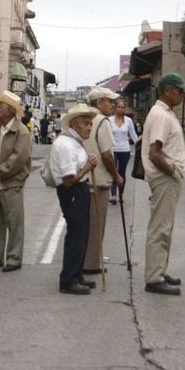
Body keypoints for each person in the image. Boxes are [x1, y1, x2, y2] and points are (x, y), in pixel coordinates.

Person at [142, 73, 185, 296]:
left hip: (165, 177)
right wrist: (172, 170)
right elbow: (155, 152)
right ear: (168, 90)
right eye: (180, 90)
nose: (183, 94)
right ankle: (154, 277)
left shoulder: (163, 113)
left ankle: (160, 270)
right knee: (160, 228)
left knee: (165, 227)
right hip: (164, 178)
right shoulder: (161, 115)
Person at [48, 104, 100, 294]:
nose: (89, 128)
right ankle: (68, 279)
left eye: (90, 124)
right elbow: (68, 180)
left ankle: (76, 275)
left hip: (80, 189)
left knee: (81, 235)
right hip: (73, 191)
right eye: (86, 124)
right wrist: (87, 167)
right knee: (76, 236)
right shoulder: (66, 144)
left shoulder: (75, 142)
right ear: (74, 125)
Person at [0, 91, 32, 272]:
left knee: (14, 223)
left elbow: (17, 160)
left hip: (12, 184)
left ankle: (14, 258)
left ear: (9, 110)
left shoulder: (22, 132)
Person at [83, 88, 120, 273]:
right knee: (97, 223)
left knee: (85, 224)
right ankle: (91, 264)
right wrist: (117, 176)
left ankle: (85, 259)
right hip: (98, 180)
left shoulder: (82, 118)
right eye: (109, 101)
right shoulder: (102, 121)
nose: (112, 105)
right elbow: (107, 155)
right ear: (99, 103)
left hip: (82, 178)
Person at [109, 98, 139, 202]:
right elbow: (106, 136)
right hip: (113, 149)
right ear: (115, 108)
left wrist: (141, 145)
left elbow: (134, 136)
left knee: (121, 173)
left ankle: (121, 194)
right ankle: (113, 195)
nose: (120, 109)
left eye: (122, 107)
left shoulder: (128, 121)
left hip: (125, 150)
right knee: (114, 172)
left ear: (124, 109)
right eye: (118, 107)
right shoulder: (109, 120)